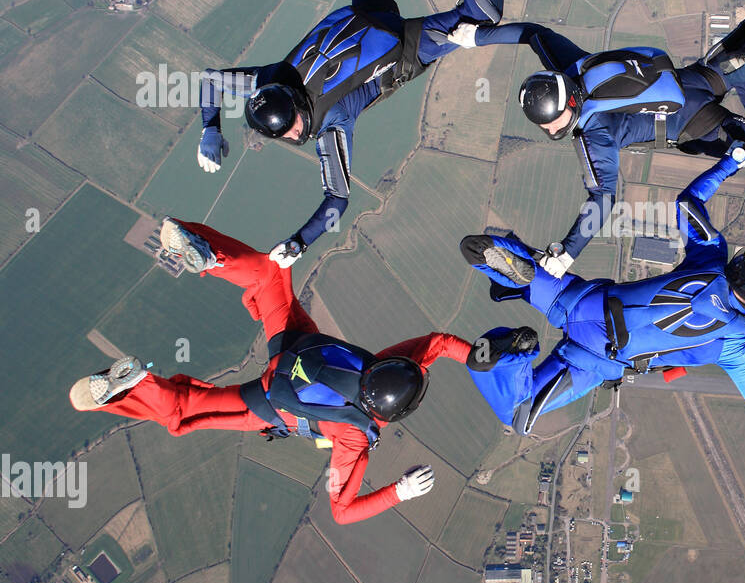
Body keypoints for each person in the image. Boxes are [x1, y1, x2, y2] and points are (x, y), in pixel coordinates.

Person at [67, 218, 519, 524]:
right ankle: (133, 388)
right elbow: (343, 512)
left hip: (296, 346)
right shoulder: (356, 437)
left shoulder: (385, 365)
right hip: (272, 402)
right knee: (186, 414)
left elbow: (438, 344)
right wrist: (398, 492)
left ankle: (211, 257)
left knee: (268, 276)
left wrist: (480, 357)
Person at [194, 0, 506, 267]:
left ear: (297, 114)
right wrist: (209, 129)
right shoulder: (270, 78)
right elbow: (211, 81)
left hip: (402, 48)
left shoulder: (331, 122)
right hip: (364, 14)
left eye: (290, 130)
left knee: (482, 17)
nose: (292, 137)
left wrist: (299, 243)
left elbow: (337, 200)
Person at [458, 146, 745, 436]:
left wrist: (731, 161)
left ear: (741, 261)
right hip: (596, 358)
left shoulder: (711, 258)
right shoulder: (737, 344)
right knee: (519, 416)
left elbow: (687, 202)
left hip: (581, 301)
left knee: (480, 249)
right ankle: (513, 351)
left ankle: (519, 277)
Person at [446, 0, 745, 275]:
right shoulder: (572, 69)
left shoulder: (593, 133)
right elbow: (534, 35)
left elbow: (604, 199)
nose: (549, 129)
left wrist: (566, 255)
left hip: (694, 123)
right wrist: (477, 36)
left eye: (551, 122)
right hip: (689, 80)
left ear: (567, 110)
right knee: (722, 69)